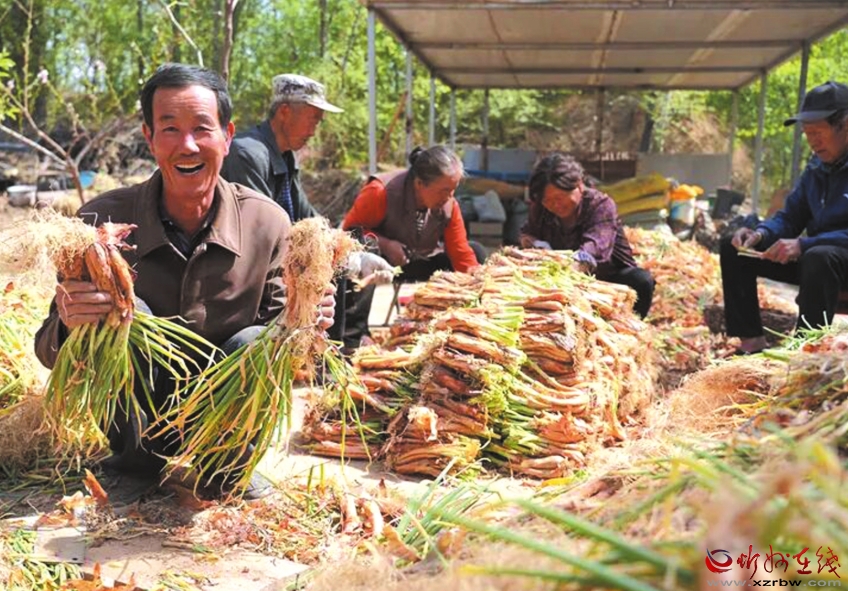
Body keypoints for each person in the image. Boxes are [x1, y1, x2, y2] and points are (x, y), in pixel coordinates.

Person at [34, 63, 336, 501]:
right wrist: (68, 321)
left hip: (227, 418)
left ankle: (227, 464)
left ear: (227, 136)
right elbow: (47, 351)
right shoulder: (99, 221)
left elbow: (287, 355)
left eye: (202, 128)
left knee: (256, 340)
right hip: (138, 424)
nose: (188, 145)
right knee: (130, 314)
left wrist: (305, 322)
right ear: (149, 137)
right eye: (170, 129)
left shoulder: (268, 223)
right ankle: (136, 462)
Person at [721, 80, 848, 354]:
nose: (813, 141)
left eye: (818, 132)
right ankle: (751, 344)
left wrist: (804, 244)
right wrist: (761, 233)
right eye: (807, 133)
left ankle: (805, 353)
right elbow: (791, 216)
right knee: (734, 246)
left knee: (819, 256)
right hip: (818, 263)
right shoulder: (816, 167)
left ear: (846, 125)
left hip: (833, 262)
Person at [341, 145, 486, 348]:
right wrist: (386, 244)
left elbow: (461, 253)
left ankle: (459, 324)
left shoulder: (449, 205)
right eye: (444, 190)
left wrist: (480, 288)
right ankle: (353, 338)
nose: (449, 197)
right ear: (419, 184)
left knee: (476, 250)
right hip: (382, 265)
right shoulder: (381, 191)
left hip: (417, 262)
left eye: (453, 190)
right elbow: (348, 234)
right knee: (364, 246)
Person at [519, 153, 654, 318]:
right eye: (548, 201)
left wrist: (568, 271)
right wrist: (533, 244)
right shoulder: (540, 208)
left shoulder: (601, 205)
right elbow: (527, 233)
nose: (555, 205)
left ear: (579, 185)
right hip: (557, 282)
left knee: (641, 280)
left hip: (605, 280)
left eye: (559, 198)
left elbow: (593, 250)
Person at [220, 73, 341, 222]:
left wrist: (332, 233)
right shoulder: (247, 155)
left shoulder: (286, 155)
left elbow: (306, 216)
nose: (312, 132)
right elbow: (263, 226)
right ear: (284, 112)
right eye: (312, 120)